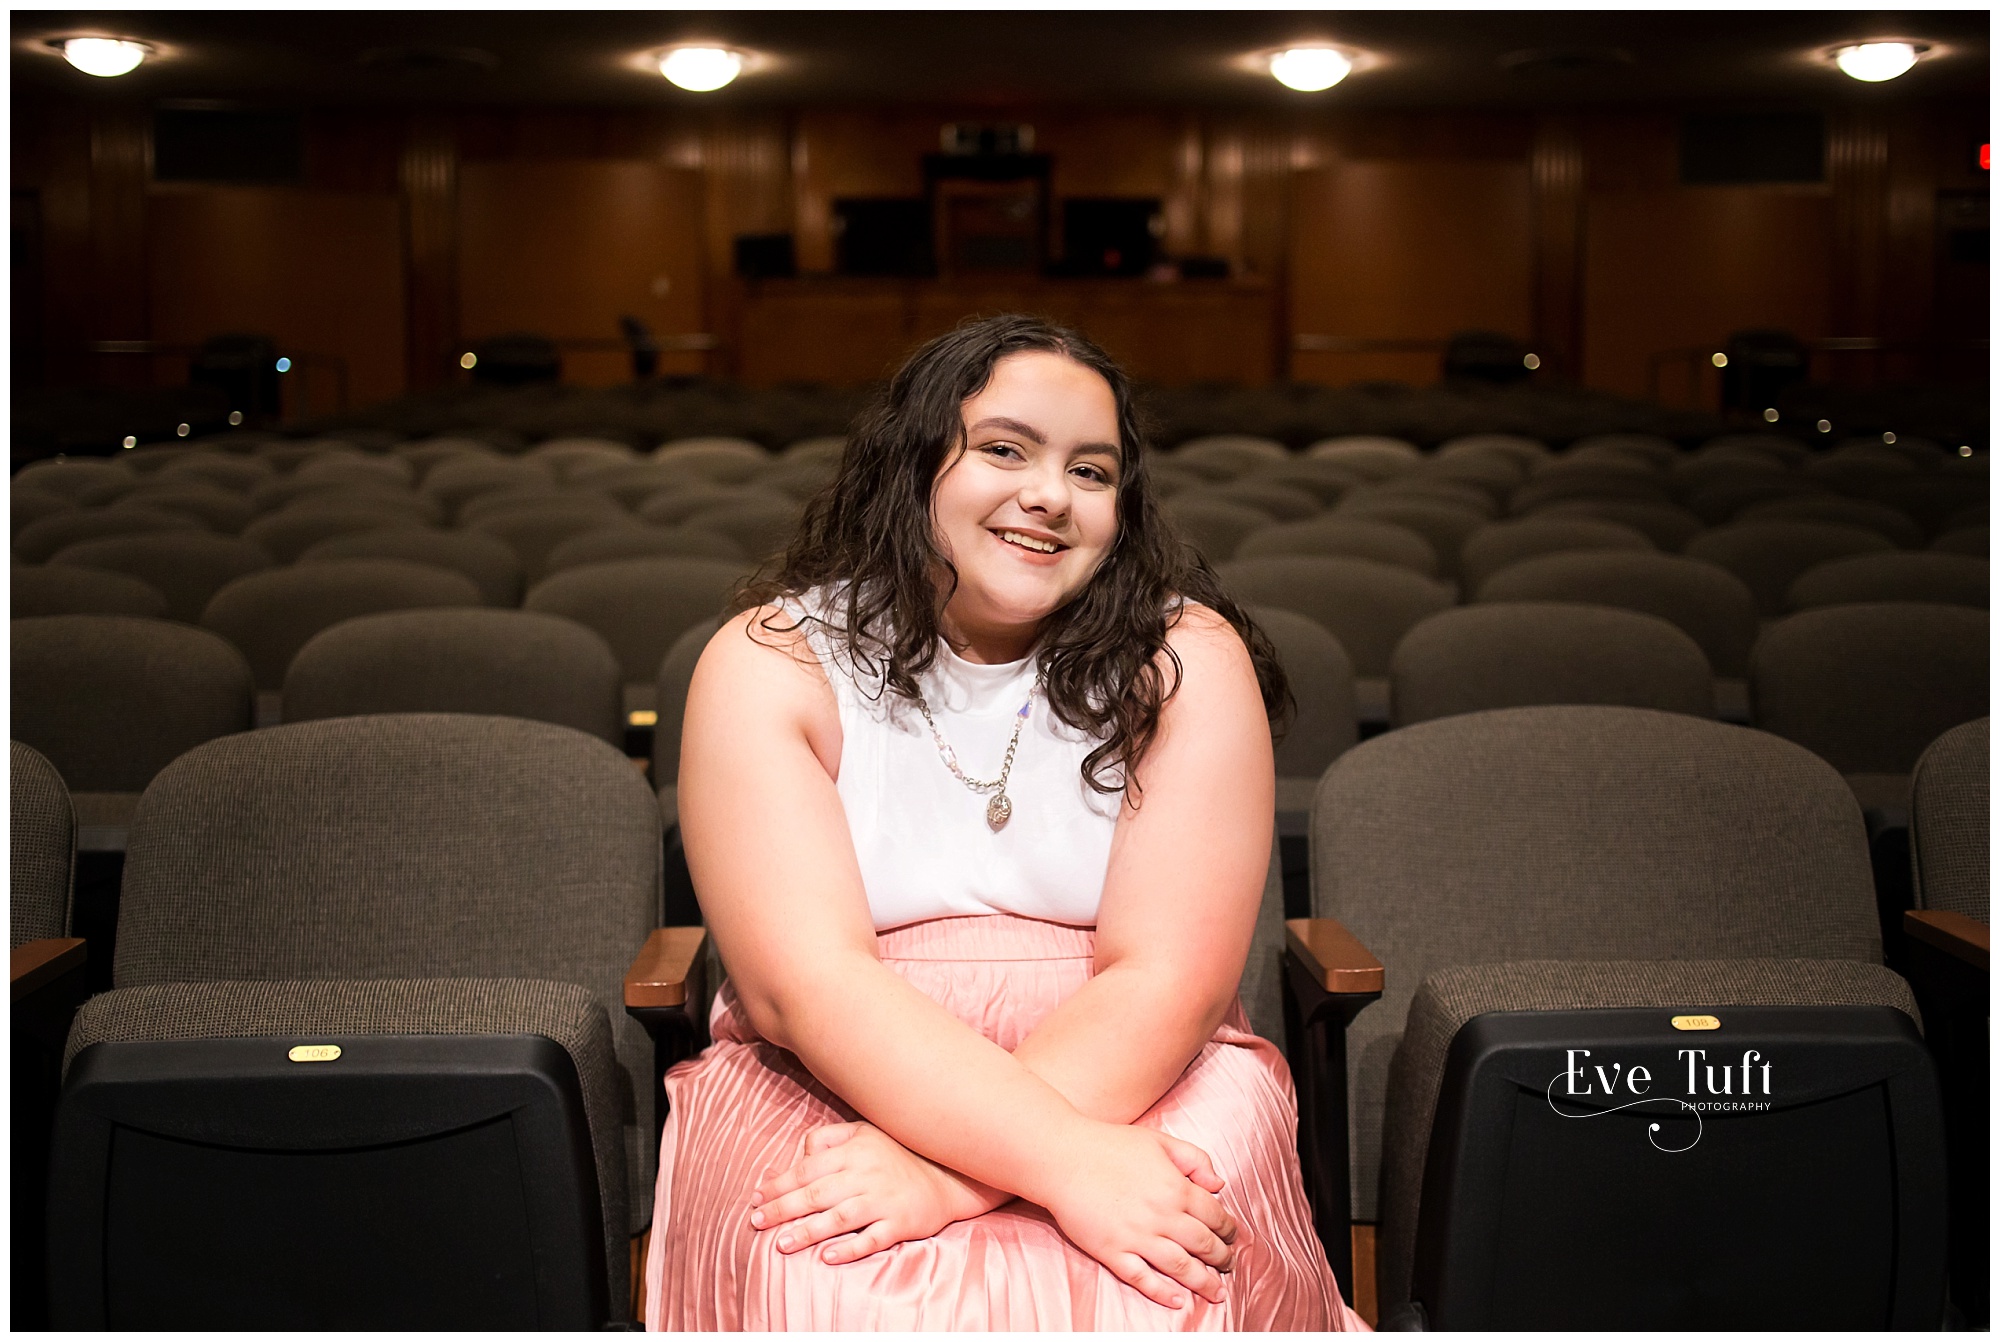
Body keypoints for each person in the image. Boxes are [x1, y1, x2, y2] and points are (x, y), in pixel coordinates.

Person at [644, 313, 1367, 1330]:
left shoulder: (1186, 659)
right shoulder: (770, 660)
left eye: (1091, 470)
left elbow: (1168, 974)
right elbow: (807, 988)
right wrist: (1060, 1159)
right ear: (913, 463)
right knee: (832, 1271)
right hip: (845, 1058)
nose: (1048, 495)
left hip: (1130, 1048)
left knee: (1161, 1271)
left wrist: (948, 1177)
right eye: (1003, 450)